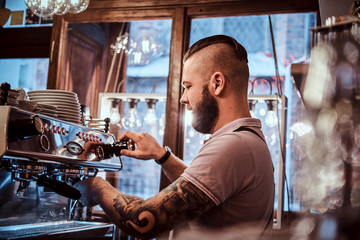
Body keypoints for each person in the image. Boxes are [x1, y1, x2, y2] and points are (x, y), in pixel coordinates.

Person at [74, 35, 274, 239]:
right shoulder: (249, 139)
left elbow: (143, 221)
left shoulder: (233, 145)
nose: (183, 98)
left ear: (217, 83)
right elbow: (200, 193)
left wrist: (95, 186)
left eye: (188, 86)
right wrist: (162, 155)